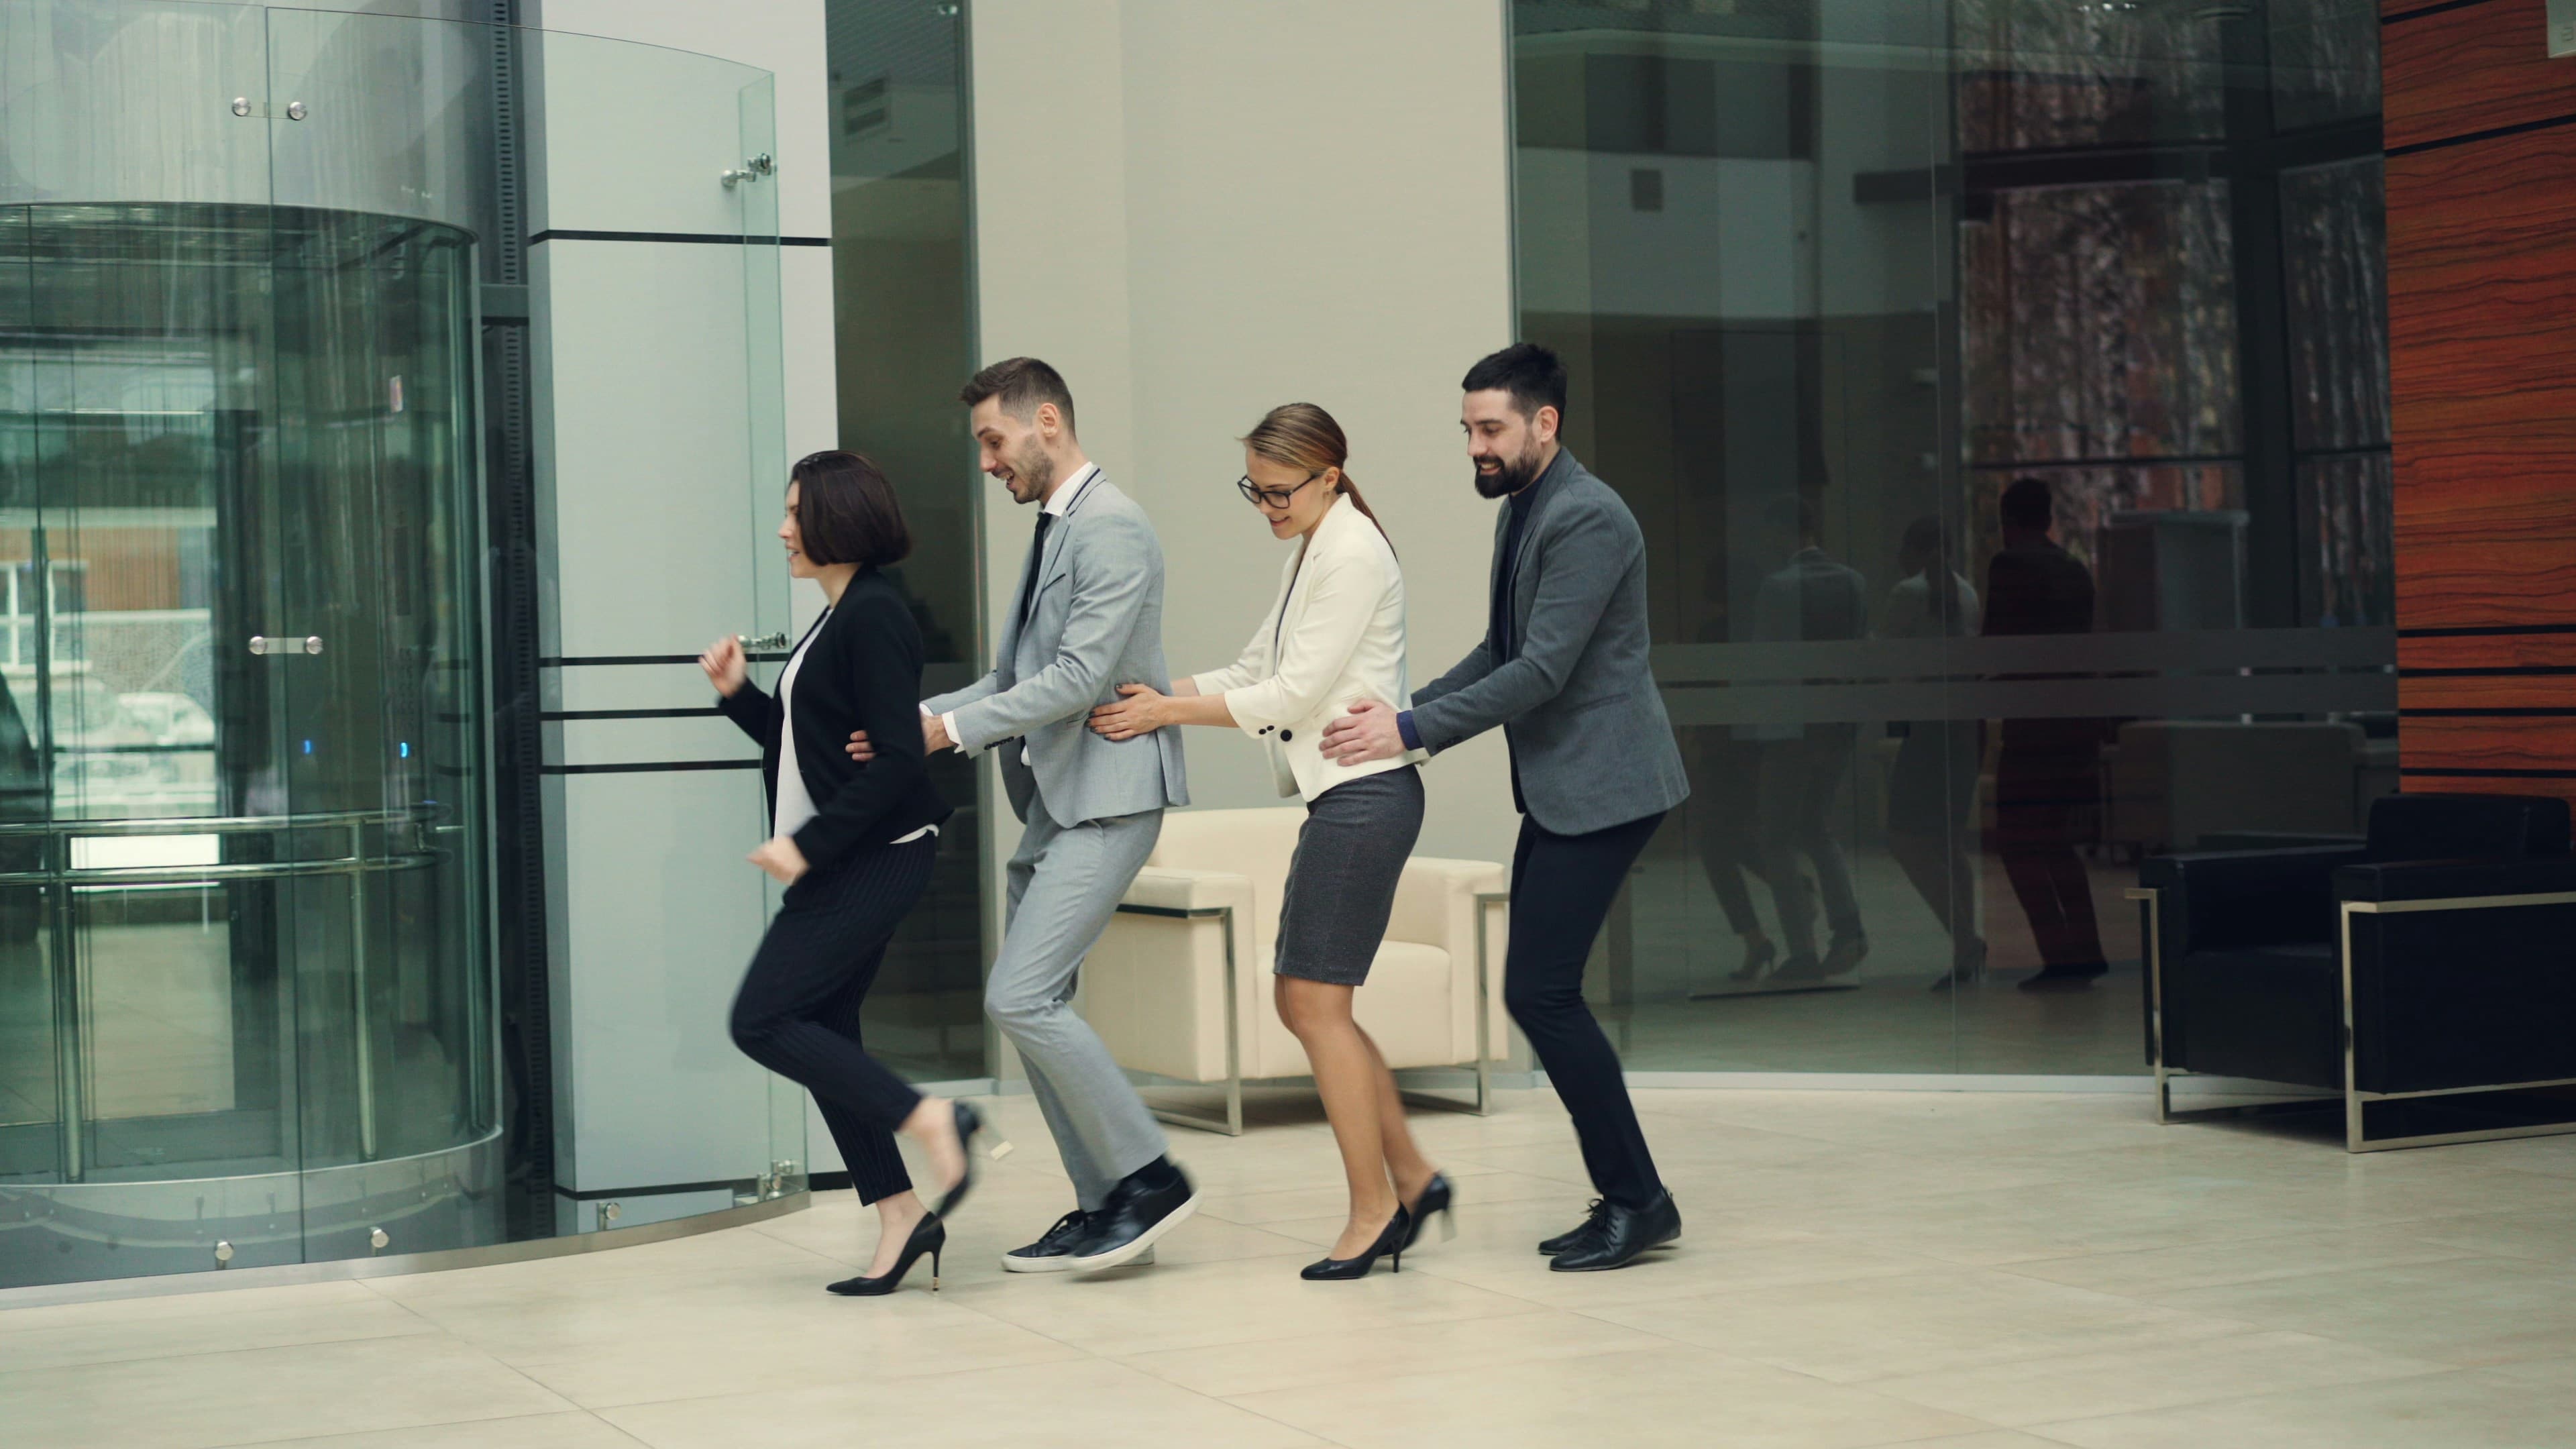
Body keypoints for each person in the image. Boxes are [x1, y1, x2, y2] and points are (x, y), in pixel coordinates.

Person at [1322, 342, 1691, 1273]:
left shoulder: (1589, 517)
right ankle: (1632, 1196)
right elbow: (1501, 648)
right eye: (1469, 431)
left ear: (1544, 424)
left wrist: (1409, 732)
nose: (1477, 447)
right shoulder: (1528, 507)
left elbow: (1541, 671)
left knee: (1540, 990)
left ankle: (1639, 1200)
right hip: (1571, 789)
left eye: (1491, 429)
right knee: (1537, 989)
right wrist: (1404, 712)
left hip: (1609, 787)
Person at [1087, 403, 1451, 1281]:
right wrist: (1152, 691)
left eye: (1279, 489)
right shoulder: (1315, 550)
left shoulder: (1353, 552)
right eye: (1254, 489)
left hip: (1365, 800)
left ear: (1330, 475)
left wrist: (1167, 713)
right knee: (1311, 1004)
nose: (1266, 506)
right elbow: (1254, 670)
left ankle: (1376, 1211)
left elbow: (1288, 696)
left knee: (1311, 1005)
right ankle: (1412, 1174)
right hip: (1346, 801)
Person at [859, 358, 1197, 1274]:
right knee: (1039, 1004)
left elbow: (1079, 680)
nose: (986, 462)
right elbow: (1016, 679)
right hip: (1056, 803)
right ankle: (1104, 1203)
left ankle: (1152, 1178)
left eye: (992, 441)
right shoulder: (1057, 528)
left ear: (1047, 421)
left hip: (1110, 798)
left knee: (1022, 995)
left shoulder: (1114, 527)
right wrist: (918, 722)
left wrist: (949, 735)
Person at [705, 449, 1006, 1298]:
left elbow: (897, 765)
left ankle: (933, 1117)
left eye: (797, 512)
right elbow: (819, 747)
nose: (783, 529)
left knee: (762, 1019)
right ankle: (902, 1216)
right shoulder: (840, 614)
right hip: (848, 857)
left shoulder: (874, 614)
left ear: (839, 518)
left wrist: (807, 847)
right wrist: (740, 697)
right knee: (825, 1034)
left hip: (873, 859)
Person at [1983, 476, 2111, 990]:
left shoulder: (2009, 565)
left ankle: (2061, 955)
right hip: (2075, 724)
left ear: (2007, 521)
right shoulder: (2075, 569)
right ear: (2049, 517)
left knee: (2017, 841)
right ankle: (2085, 951)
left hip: (2034, 725)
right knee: (2057, 843)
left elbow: (1996, 644)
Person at [1744, 495, 1870, 985]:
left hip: (1793, 726)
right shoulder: (1853, 582)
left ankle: (1802, 951)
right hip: (1838, 724)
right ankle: (1850, 928)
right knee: (1817, 826)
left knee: (1776, 834)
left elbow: (1764, 661)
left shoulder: (1778, 587)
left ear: (1781, 533)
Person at [1878, 515, 1987, 990]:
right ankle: (1966, 949)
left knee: (1906, 840)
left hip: (1930, 729)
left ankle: (1965, 940)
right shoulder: (1967, 592)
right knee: (1949, 842)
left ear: (1911, 550)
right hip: (1966, 727)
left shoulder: (1908, 593)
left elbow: (1887, 660)